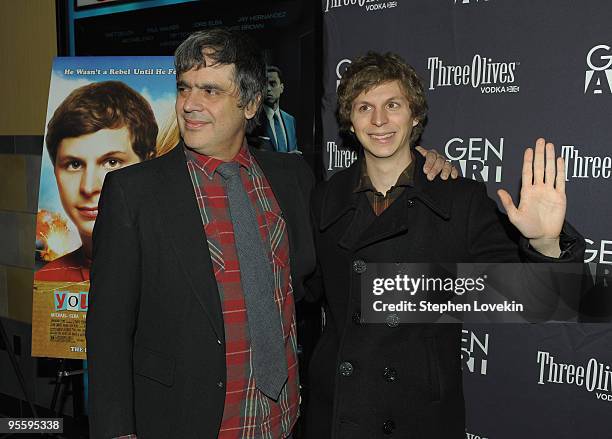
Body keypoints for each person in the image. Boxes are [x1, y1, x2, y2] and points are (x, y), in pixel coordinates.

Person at [85, 31, 455, 439]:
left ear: (250, 103)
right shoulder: (134, 192)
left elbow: (326, 280)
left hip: (283, 420)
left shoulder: (291, 177)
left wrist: (415, 165)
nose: (190, 104)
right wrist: (115, 431)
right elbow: (108, 330)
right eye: (184, 88)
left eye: (210, 90)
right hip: (186, 420)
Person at [304, 52, 585, 438]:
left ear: (415, 115)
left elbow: (543, 300)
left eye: (393, 105)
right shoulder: (324, 199)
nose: (379, 120)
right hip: (337, 407)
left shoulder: (459, 200)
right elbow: (305, 290)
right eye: (364, 107)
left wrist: (545, 241)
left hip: (417, 414)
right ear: (349, 122)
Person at [35, 81, 158, 282]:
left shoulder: (177, 276)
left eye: (111, 162)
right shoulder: (47, 282)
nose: (88, 187)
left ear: (149, 164)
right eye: (74, 164)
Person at [255, 65, 298, 152]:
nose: (268, 89)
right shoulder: (254, 118)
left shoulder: (290, 120)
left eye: (272, 84)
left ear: (281, 88)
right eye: (265, 84)